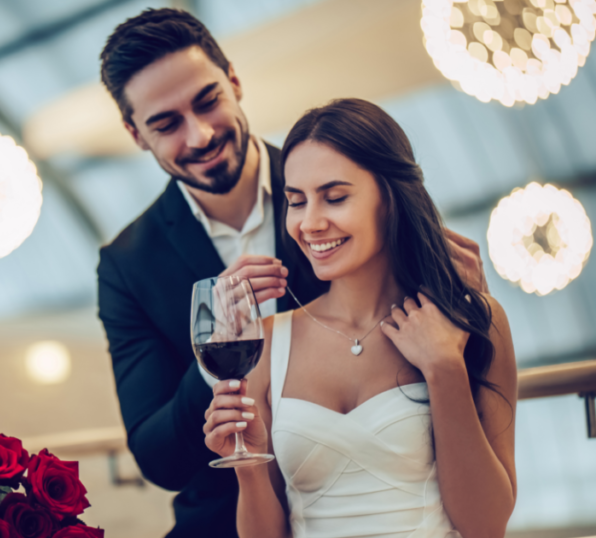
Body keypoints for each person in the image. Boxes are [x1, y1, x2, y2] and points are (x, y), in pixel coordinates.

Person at [96, 9, 487, 538]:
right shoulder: (128, 264)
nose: (202, 133)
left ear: (234, 81)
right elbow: (157, 459)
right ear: (135, 134)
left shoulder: (339, 179)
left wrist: (447, 278)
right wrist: (215, 337)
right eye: (166, 124)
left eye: (208, 100)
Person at [203, 99, 517, 538]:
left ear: (390, 197)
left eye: (335, 197)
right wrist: (249, 467)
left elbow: (486, 525)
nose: (309, 223)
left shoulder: (473, 320)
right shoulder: (268, 342)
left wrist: (444, 369)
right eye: (296, 201)